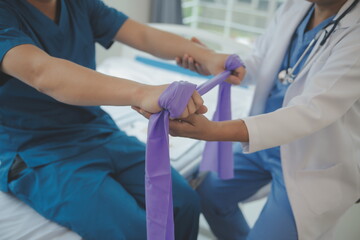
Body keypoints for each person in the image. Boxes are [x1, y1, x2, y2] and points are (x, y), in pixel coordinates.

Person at [0, 0, 244, 239]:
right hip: (33, 149)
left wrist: (207, 55)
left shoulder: (79, 5)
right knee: (134, 230)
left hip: (94, 129)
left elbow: (142, 35)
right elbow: (42, 73)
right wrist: (142, 92)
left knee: (184, 203)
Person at [168, 0, 360, 239]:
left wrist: (213, 130)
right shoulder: (295, 7)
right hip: (265, 143)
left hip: (313, 157)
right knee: (210, 194)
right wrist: (216, 64)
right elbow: (260, 60)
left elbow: (309, 112)